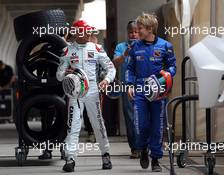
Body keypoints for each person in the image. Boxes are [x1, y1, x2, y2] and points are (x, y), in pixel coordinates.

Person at [56, 20, 116, 172]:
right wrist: (65, 73)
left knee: (98, 123)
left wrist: (106, 80)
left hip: (93, 90)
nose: (88, 34)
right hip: (74, 92)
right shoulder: (67, 51)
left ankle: (105, 154)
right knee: (73, 125)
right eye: (84, 31)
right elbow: (58, 75)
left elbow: (111, 68)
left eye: (88, 31)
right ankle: (70, 158)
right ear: (76, 33)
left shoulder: (97, 48)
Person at [126, 13, 176, 172]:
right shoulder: (135, 46)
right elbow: (130, 68)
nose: (137, 31)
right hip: (140, 90)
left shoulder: (166, 46)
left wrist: (163, 80)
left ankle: (155, 158)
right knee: (140, 124)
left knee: (157, 126)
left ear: (149, 29)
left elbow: (172, 68)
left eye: (140, 28)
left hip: (158, 91)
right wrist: (129, 85)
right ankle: (142, 150)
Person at [113, 21, 140, 159]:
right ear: (127, 32)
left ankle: (145, 146)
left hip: (143, 86)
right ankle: (135, 148)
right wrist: (125, 54)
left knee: (143, 116)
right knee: (130, 117)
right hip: (126, 87)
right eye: (131, 32)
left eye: (136, 32)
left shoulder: (145, 45)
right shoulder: (121, 47)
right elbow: (114, 64)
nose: (134, 35)